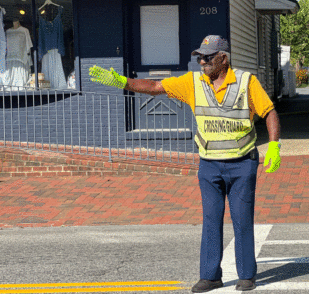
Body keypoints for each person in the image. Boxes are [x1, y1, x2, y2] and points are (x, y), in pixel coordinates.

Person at [89, 35, 281, 293]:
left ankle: (247, 275)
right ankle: (210, 276)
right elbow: (155, 86)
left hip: (242, 163)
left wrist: (275, 145)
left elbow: (269, 111)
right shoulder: (192, 83)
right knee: (211, 220)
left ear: (223, 59)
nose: (202, 61)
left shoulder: (247, 82)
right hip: (210, 165)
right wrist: (124, 82)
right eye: (199, 57)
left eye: (208, 57)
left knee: (242, 219)